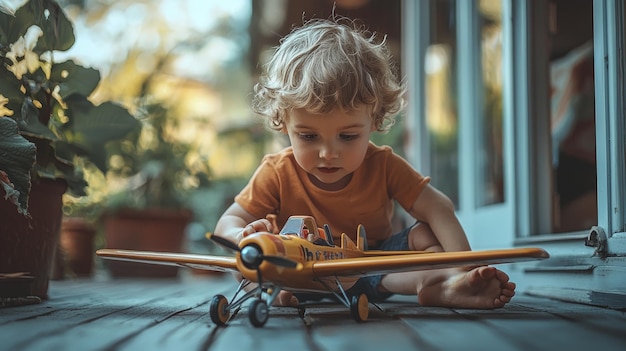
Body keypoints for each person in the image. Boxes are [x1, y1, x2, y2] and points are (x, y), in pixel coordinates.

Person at [214, 18, 515, 309]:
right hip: (296, 274)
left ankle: (444, 285)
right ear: (284, 124)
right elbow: (227, 223)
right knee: (243, 261)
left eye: (347, 136)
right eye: (308, 136)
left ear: (375, 121)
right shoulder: (277, 171)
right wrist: (243, 236)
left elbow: (438, 207)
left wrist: (464, 267)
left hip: (373, 269)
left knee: (425, 234)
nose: (327, 153)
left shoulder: (383, 165)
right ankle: (272, 296)